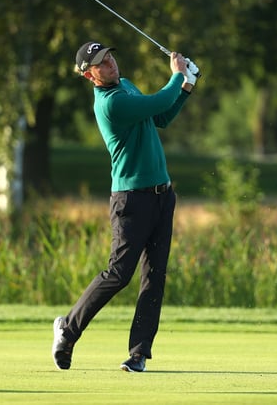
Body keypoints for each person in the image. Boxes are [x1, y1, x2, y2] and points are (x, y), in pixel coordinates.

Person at [52, 41, 199, 373]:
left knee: (154, 276)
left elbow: (161, 115)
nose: (111, 65)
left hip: (163, 195)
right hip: (131, 199)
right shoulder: (111, 104)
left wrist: (187, 87)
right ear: (90, 76)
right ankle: (68, 329)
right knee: (119, 274)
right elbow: (159, 99)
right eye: (102, 64)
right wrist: (177, 76)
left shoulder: (126, 86)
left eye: (110, 57)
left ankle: (139, 354)